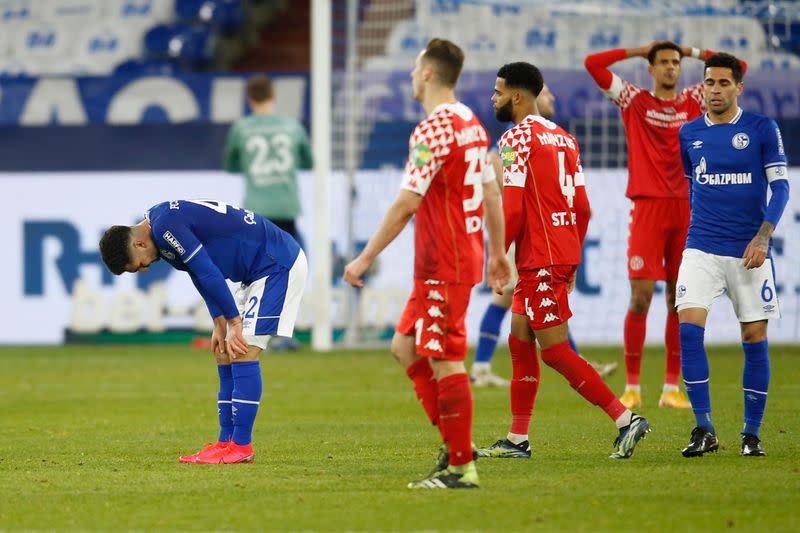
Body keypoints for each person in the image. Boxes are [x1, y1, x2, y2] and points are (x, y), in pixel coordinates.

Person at [344, 38, 510, 489]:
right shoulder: (473, 126)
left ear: (429, 74)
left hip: (445, 258)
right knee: (405, 347)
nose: (412, 76)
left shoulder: (434, 129)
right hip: (458, 254)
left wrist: (363, 258)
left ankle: (461, 467)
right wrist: (496, 252)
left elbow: (405, 204)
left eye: (416, 68)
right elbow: (492, 193)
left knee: (445, 359)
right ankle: (458, 443)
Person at [476, 62, 649, 461]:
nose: (493, 98)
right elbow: (583, 207)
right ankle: (518, 439)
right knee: (520, 341)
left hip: (539, 257)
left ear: (517, 97)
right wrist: (571, 257)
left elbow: (514, 208)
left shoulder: (515, 138)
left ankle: (625, 419)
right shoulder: (565, 138)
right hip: (558, 251)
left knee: (553, 350)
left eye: (498, 92)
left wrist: (500, 254)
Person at [585, 42, 746, 410]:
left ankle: (671, 389)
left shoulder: (695, 99)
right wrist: (640, 49)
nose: (672, 67)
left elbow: (740, 66)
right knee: (640, 296)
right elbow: (592, 64)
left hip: (688, 211)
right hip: (647, 208)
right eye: (664, 62)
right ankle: (632, 388)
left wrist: (693, 51)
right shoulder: (634, 100)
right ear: (651, 69)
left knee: (679, 299)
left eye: (676, 62)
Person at [99, 199, 307, 464]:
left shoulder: (165, 227)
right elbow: (198, 273)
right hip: (255, 273)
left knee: (243, 350)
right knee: (224, 352)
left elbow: (209, 272)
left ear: (139, 244)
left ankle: (241, 446)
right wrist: (219, 321)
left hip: (276, 264)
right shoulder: (161, 232)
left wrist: (234, 322)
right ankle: (225, 442)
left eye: (138, 264)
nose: (145, 268)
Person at [676, 53, 789, 457]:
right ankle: (704, 428)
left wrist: (762, 238)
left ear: (739, 87)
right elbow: (694, 187)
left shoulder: (761, 129)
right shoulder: (689, 133)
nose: (716, 90)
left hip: (749, 251)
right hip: (701, 246)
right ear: (702, 87)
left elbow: (781, 189)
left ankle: (751, 434)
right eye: (710, 83)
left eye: (724, 83)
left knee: (753, 337)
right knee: (688, 329)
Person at [470, 84, 617, 387]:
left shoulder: (541, 137)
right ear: (531, 97)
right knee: (525, 302)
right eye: (548, 93)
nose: (553, 98)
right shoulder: (518, 137)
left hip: (535, 234)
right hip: (527, 232)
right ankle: (486, 366)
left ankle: (486, 370)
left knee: (531, 304)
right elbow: (498, 169)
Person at [224, 75, 312, 350]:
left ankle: (250, 330)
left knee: (254, 274)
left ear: (249, 99)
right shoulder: (292, 126)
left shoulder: (242, 128)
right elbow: (307, 160)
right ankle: (284, 333)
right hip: (285, 206)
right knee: (288, 270)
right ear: (273, 96)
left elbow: (232, 164)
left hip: (256, 210)